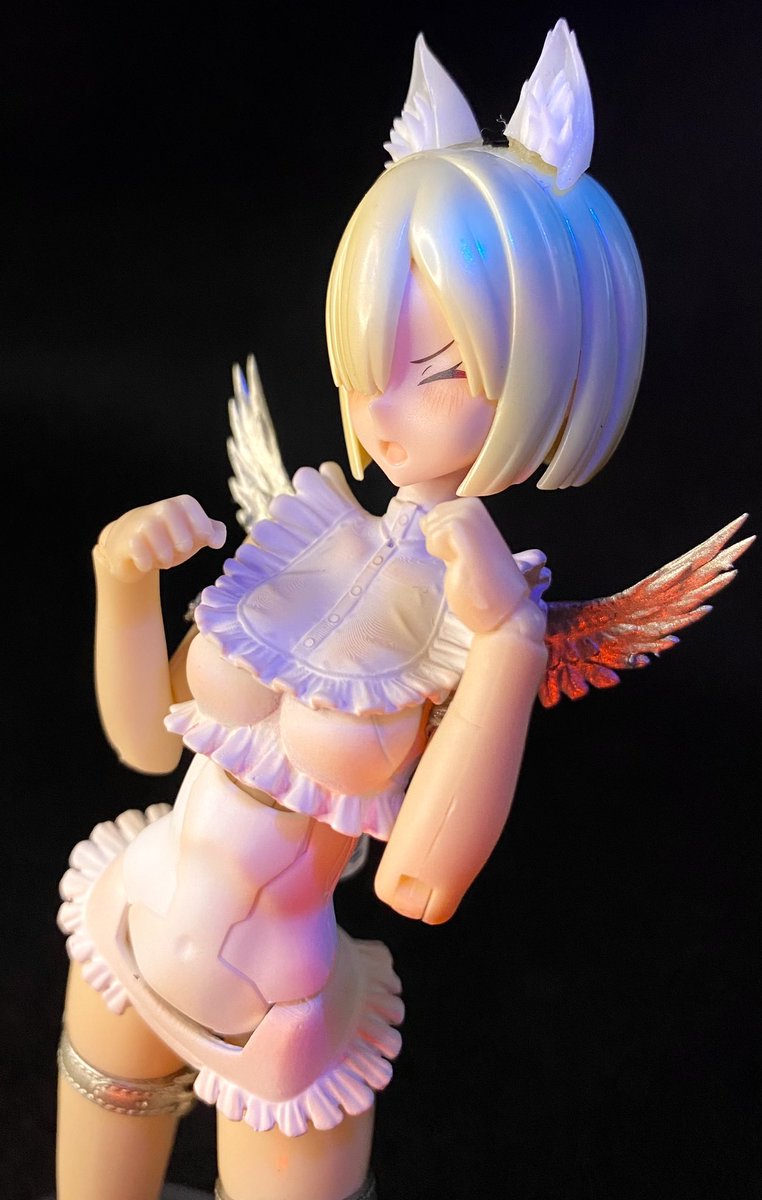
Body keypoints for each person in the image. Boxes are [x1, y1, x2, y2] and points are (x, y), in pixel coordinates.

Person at [56, 22, 662, 1200]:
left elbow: (416, 885)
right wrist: (120, 584)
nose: (383, 410)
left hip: (279, 1031)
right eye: (372, 360)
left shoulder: (482, 617)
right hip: (125, 942)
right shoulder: (307, 525)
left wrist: (507, 650)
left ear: (549, 377)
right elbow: (144, 743)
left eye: (439, 373)